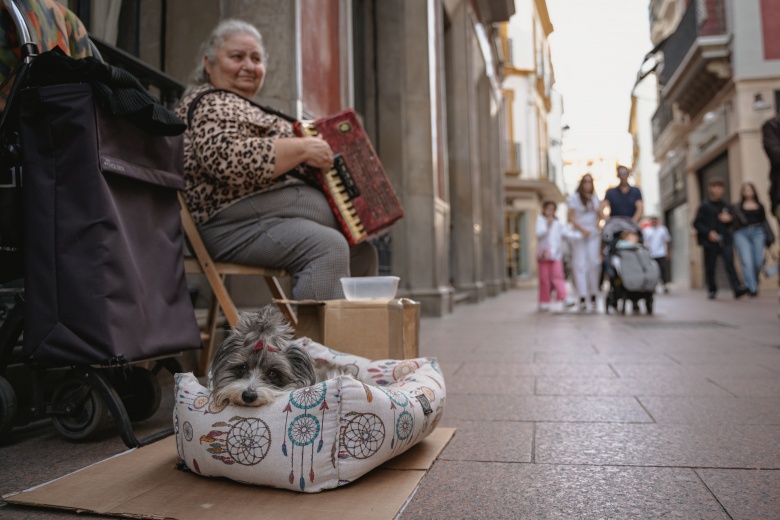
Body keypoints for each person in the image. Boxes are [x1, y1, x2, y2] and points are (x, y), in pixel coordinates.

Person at [176, 19, 377, 301]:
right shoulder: (209, 102)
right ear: (209, 63)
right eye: (237, 56)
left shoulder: (244, 105)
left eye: (256, 59)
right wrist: (302, 149)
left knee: (363, 252)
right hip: (226, 223)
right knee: (328, 244)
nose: (249, 66)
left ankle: (355, 328)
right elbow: (226, 160)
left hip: (261, 217)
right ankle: (314, 332)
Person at [692, 178, 748, 300]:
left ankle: (737, 288)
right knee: (710, 266)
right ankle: (712, 289)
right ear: (710, 189)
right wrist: (708, 232)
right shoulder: (704, 206)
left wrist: (730, 219)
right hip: (710, 241)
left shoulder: (726, 205)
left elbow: (735, 222)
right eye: (715, 187)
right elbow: (696, 223)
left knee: (730, 263)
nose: (718, 190)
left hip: (725, 239)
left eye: (720, 188)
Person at [567, 174, 602, 312]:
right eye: (585, 181)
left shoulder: (594, 199)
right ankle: (582, 296)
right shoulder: (574, 198)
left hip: (593, 236)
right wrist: (582, 230)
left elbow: (599, 216)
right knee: (580, 265)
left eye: (590, 182)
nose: (588, 184)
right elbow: (570, 217)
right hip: (579, 235)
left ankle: (593, 294)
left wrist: (597, 225)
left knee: (593, 264)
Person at [732, 182, 771, 297]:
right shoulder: (737, 207)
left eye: (749, 189)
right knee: (746, 262)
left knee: (758, 262)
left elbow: (764, 221)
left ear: (754, 191)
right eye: (745, 190)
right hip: (741, 234)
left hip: (758, 233)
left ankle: (754, 281)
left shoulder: (760, 206)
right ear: (742, 192)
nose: (747, 192)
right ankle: (752, 288)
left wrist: (770, 236)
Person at [535, 201, 575, 312]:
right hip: (544, 255)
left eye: (552, 209)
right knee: (544, 279)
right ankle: (544, 301)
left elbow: (567, 233)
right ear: (544, 209)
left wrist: (581, 235)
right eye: (548, 209)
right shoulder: (540, 221)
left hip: (556, 255)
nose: (550, 212)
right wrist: (547, 226)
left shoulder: (558, 223)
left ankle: (564, 297)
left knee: (558, 276)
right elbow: (539, 234)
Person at [642, 216, 671, 293]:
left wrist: (668, 252)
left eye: (655, 221)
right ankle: (653, 286)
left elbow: (667, 241)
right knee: (652, 271)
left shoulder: (663, 229)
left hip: (661, 253)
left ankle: (665, 285)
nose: (654, 222)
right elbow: (644, 242)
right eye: (653, 221)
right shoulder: (646, 230)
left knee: (663, 269)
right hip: (651, 254)